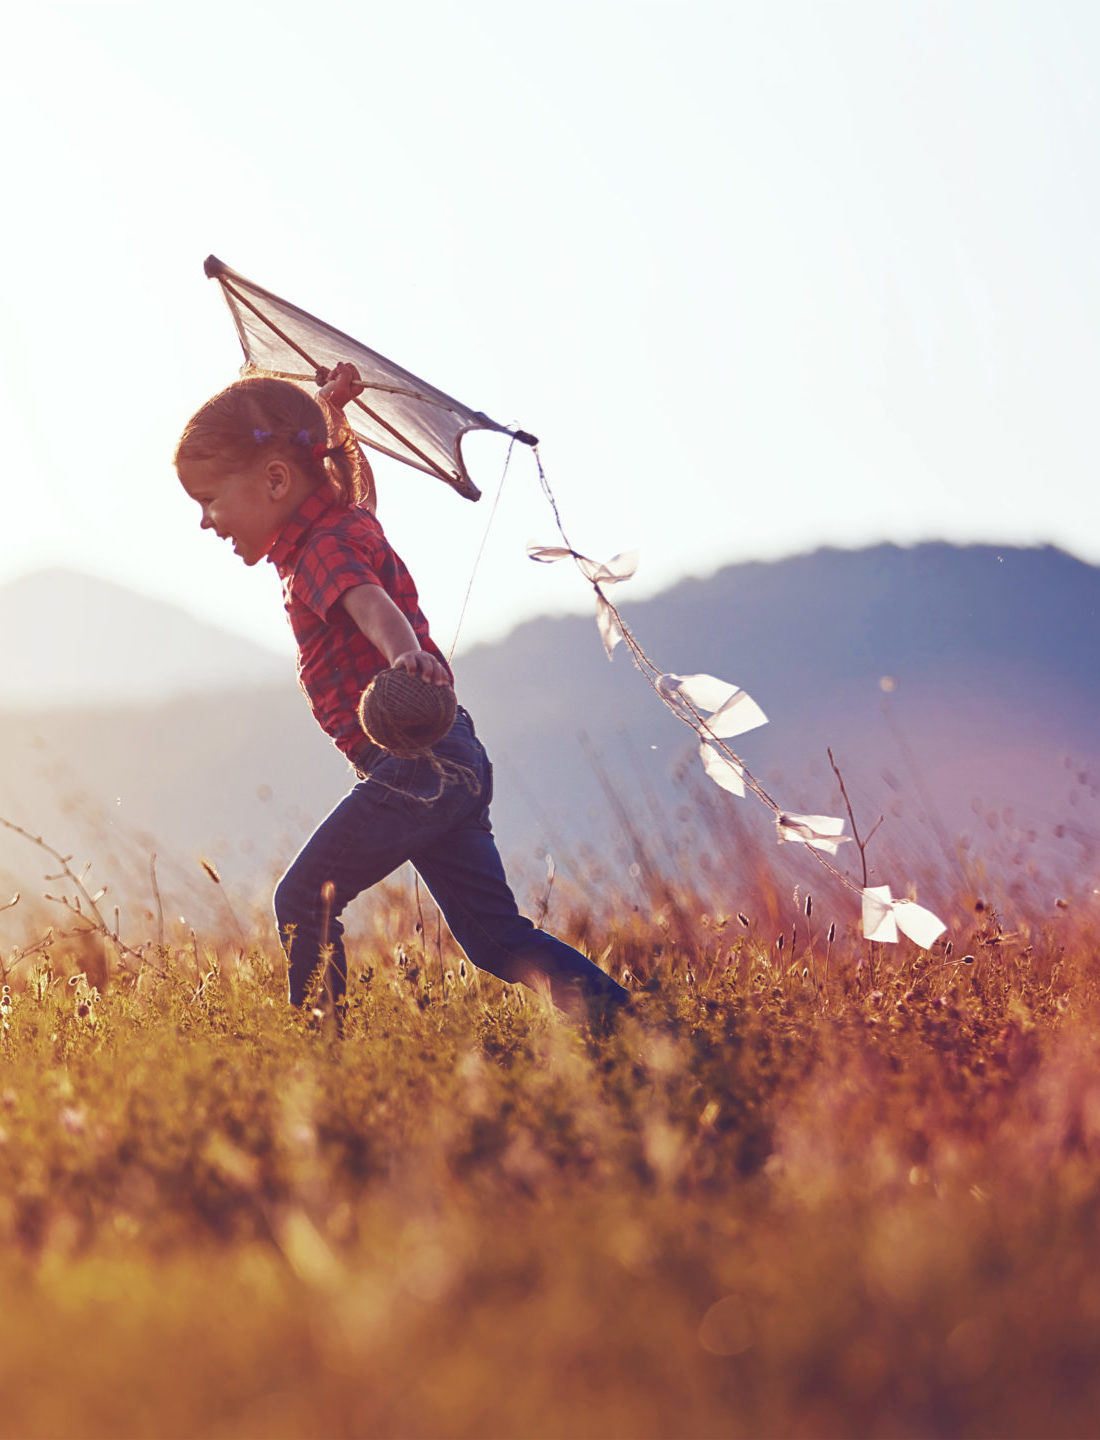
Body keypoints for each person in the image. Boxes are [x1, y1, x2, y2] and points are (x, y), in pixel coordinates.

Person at [174, 363, 627, 1026]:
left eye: (209, 499)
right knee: (497, 939)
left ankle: (322, 1055)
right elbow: (352, 496)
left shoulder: (323, 552)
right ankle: (640, 1033)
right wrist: (328, 415)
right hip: (451, 762)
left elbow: (370, 601)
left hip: (420, 768)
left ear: (275, 480)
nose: (207, 521)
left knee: (303, 899)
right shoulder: (339, 526)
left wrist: (403, 653)